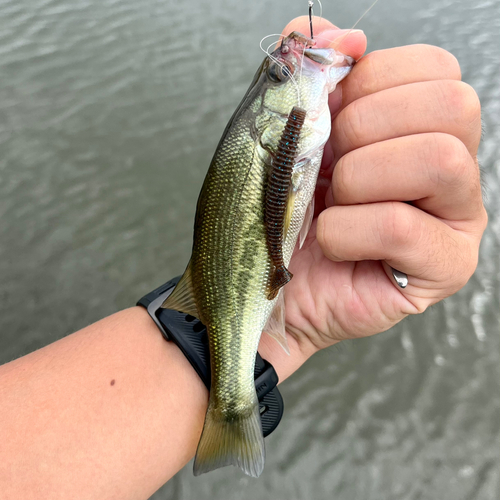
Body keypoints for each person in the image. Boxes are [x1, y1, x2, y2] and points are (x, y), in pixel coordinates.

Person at [0, 16, 487, 499]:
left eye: (277, 73)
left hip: (257, 282)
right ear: (272, 121)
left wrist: (291, 323)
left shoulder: (285, 136)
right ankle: (230, 406)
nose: (290, 61)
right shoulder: (275, 140)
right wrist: (277, 332)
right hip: (254, 286)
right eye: (279, 75)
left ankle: (229, 403)